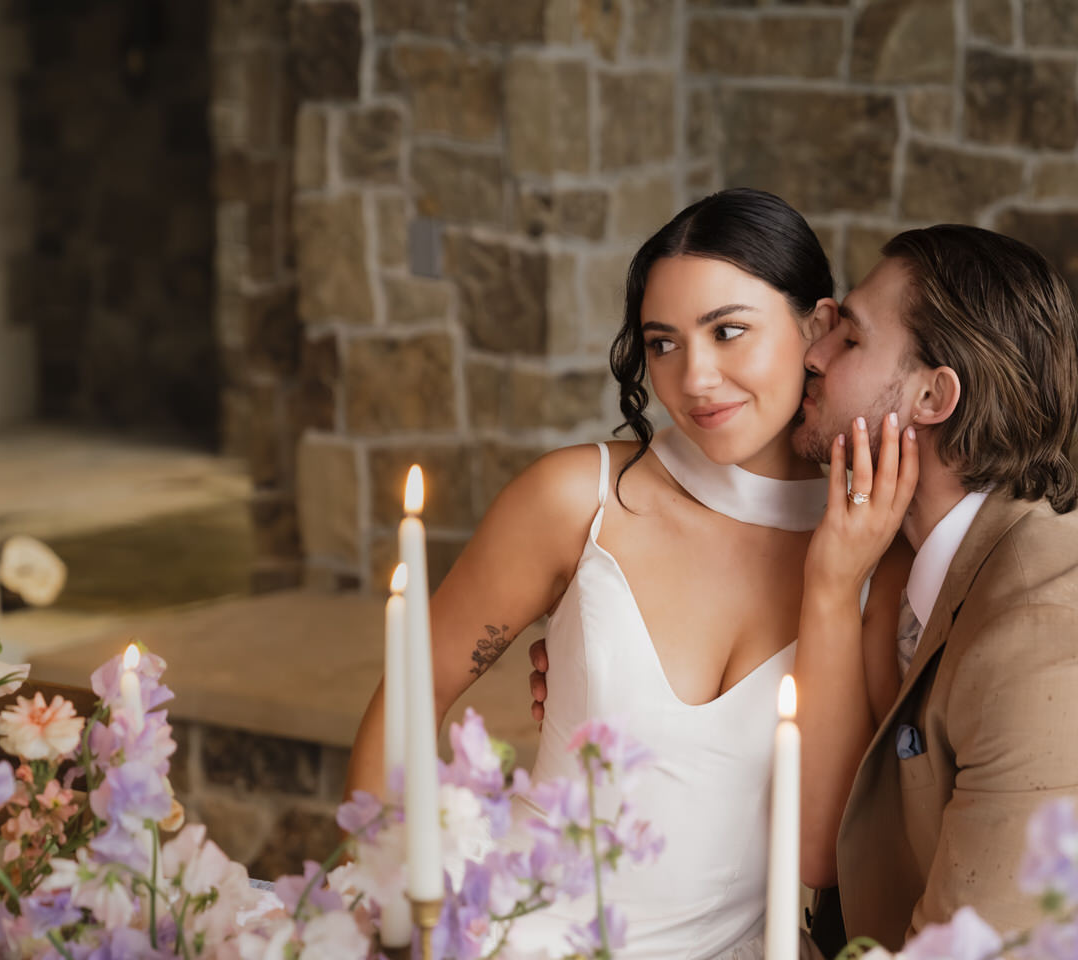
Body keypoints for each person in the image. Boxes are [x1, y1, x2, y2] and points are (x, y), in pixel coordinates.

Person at [532, 224, 1078, 959]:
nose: (813, 352)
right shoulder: (925, 558)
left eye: (851, 340)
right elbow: (835, 831)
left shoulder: (1057, 648)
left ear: (933, 394)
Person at [344, 188, 902, 959]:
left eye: (728, 331)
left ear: (817, 327)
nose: (695, 378)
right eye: (663, 343)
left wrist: (840, 579)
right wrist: (388, 910)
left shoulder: (874, 558)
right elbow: (413, 690)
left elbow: (826, 848)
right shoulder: (577, 500)